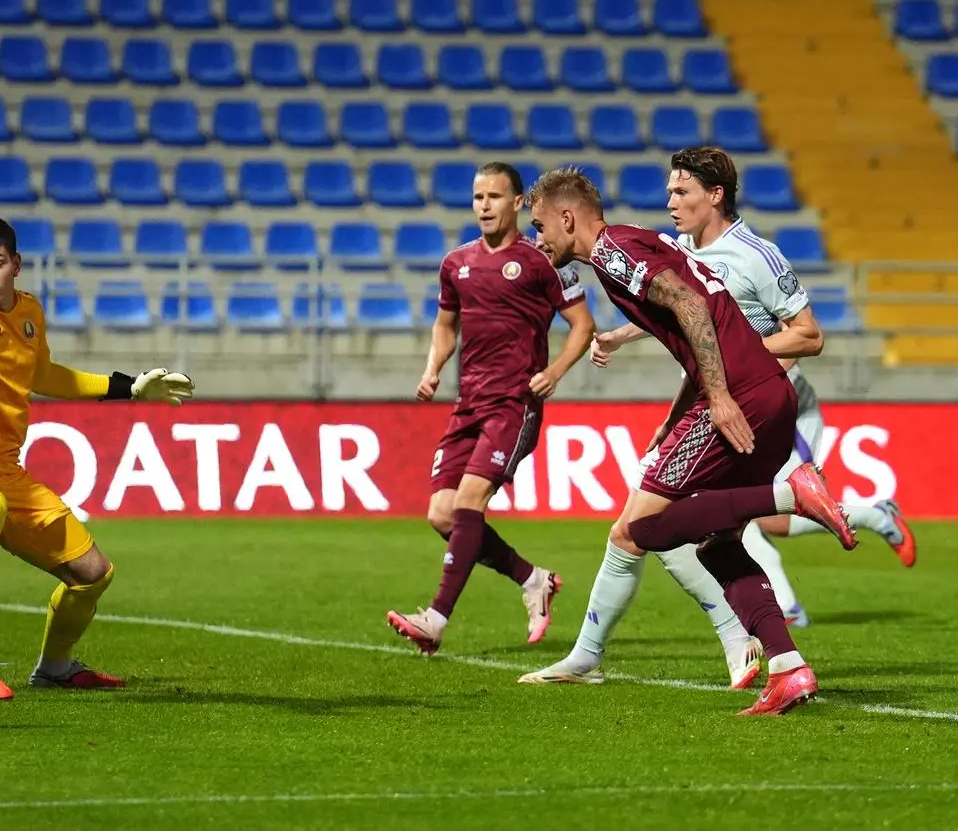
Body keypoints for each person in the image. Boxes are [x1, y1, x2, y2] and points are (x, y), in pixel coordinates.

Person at [520, 168, 855, 716]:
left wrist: (717, 399)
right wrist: (678, 412)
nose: (539, 239)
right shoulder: (639, 241)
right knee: (718, 544)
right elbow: (693, 320)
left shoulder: (612, 252)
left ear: (566, 217)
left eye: (539, 226)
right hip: (766, 392)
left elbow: (693, 308)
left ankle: (790, 495)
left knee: (643, 527)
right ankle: (788, 668)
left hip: (738, 398)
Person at [593, 148, 916, 631]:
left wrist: (739, 359)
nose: (670, 202)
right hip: (721, 401)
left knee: (765, 518)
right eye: (669, 192)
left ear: (716, 195)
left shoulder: (756, 256)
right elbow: (686, 309)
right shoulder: (682, 249)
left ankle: (865, 520)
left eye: (681, 191)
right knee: (718, 521)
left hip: (776, 404)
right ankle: (771, 632)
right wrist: (620, 336)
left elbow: (809, 334)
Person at [0, 215, 195, 701]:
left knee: (92, 574)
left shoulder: (29, 314)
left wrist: (127, 387)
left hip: (2, 471)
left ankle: (55, 668)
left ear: (15, 265)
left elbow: (43, 375)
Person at [386, 162, 596, 655]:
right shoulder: (455, 263)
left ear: (518, 203)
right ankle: (532, 579)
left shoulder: (545, 262)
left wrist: (555, 371)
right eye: (478, 196)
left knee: (467, 504)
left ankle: (435, 620)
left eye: (495, 197)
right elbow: (445, 324)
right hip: (468, 405)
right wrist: (433, 366)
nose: (484, 205)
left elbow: (582, 325)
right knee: (442, 515)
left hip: (513, 404)